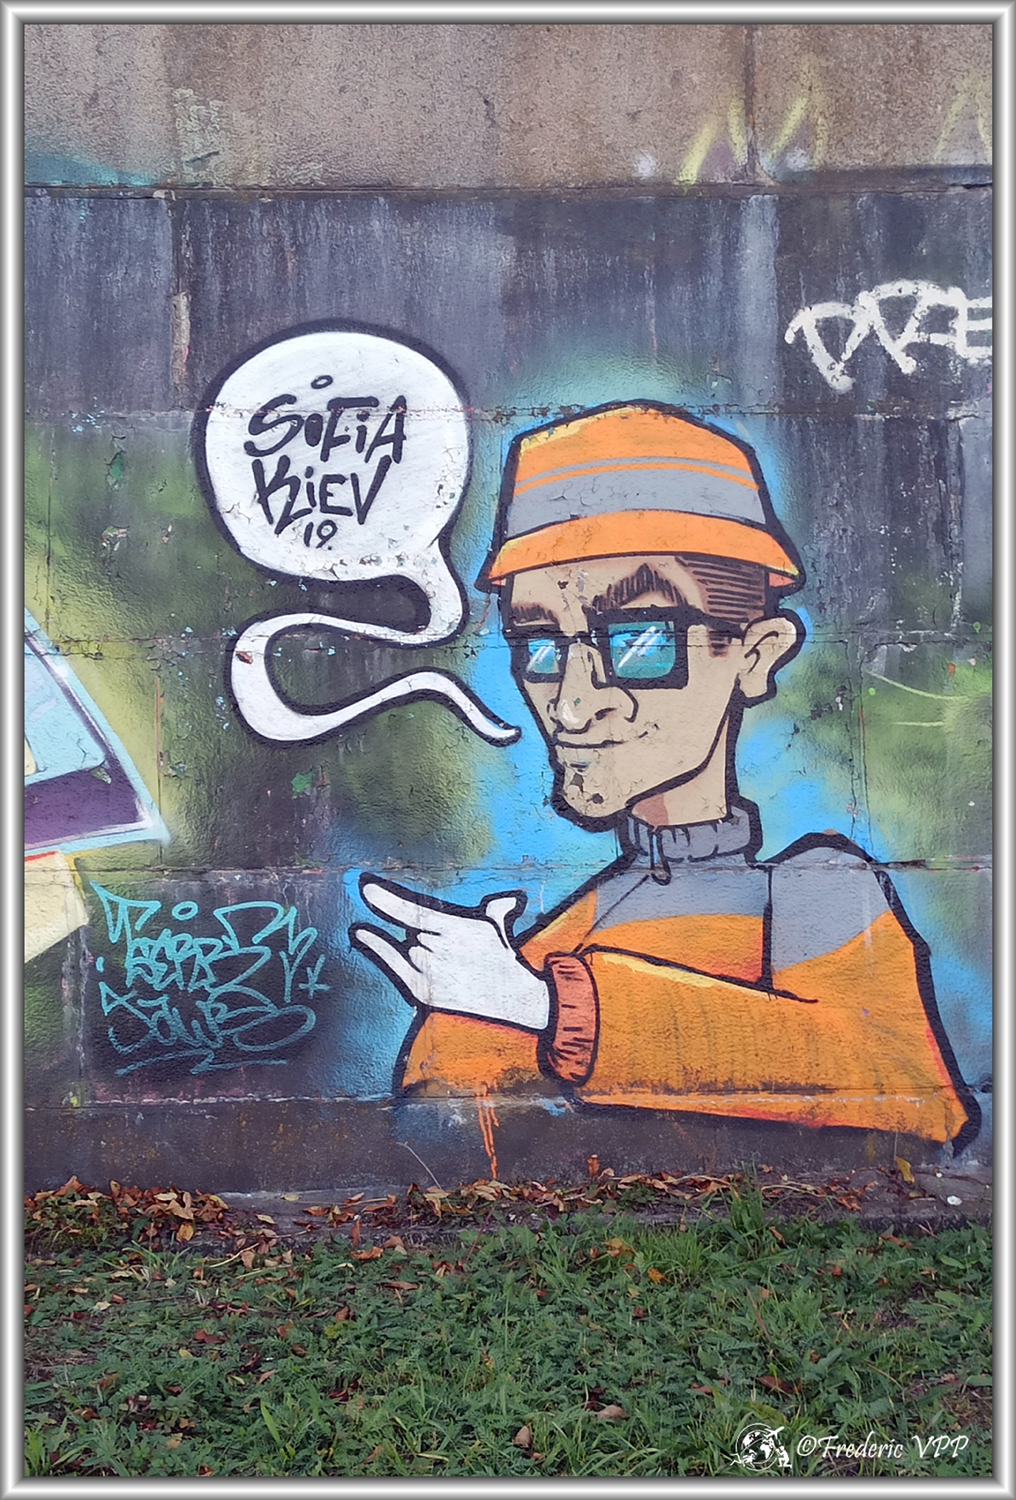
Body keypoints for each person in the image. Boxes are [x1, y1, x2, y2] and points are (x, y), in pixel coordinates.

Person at [351, 401, 978, 1148]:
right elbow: (438, 1130)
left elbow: (897, 1081)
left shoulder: (814, 890)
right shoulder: (555, 937)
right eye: (540, 646)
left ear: (755, 654)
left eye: (642, 641)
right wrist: (476, 1007)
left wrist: (546, 1008)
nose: (573, 703)